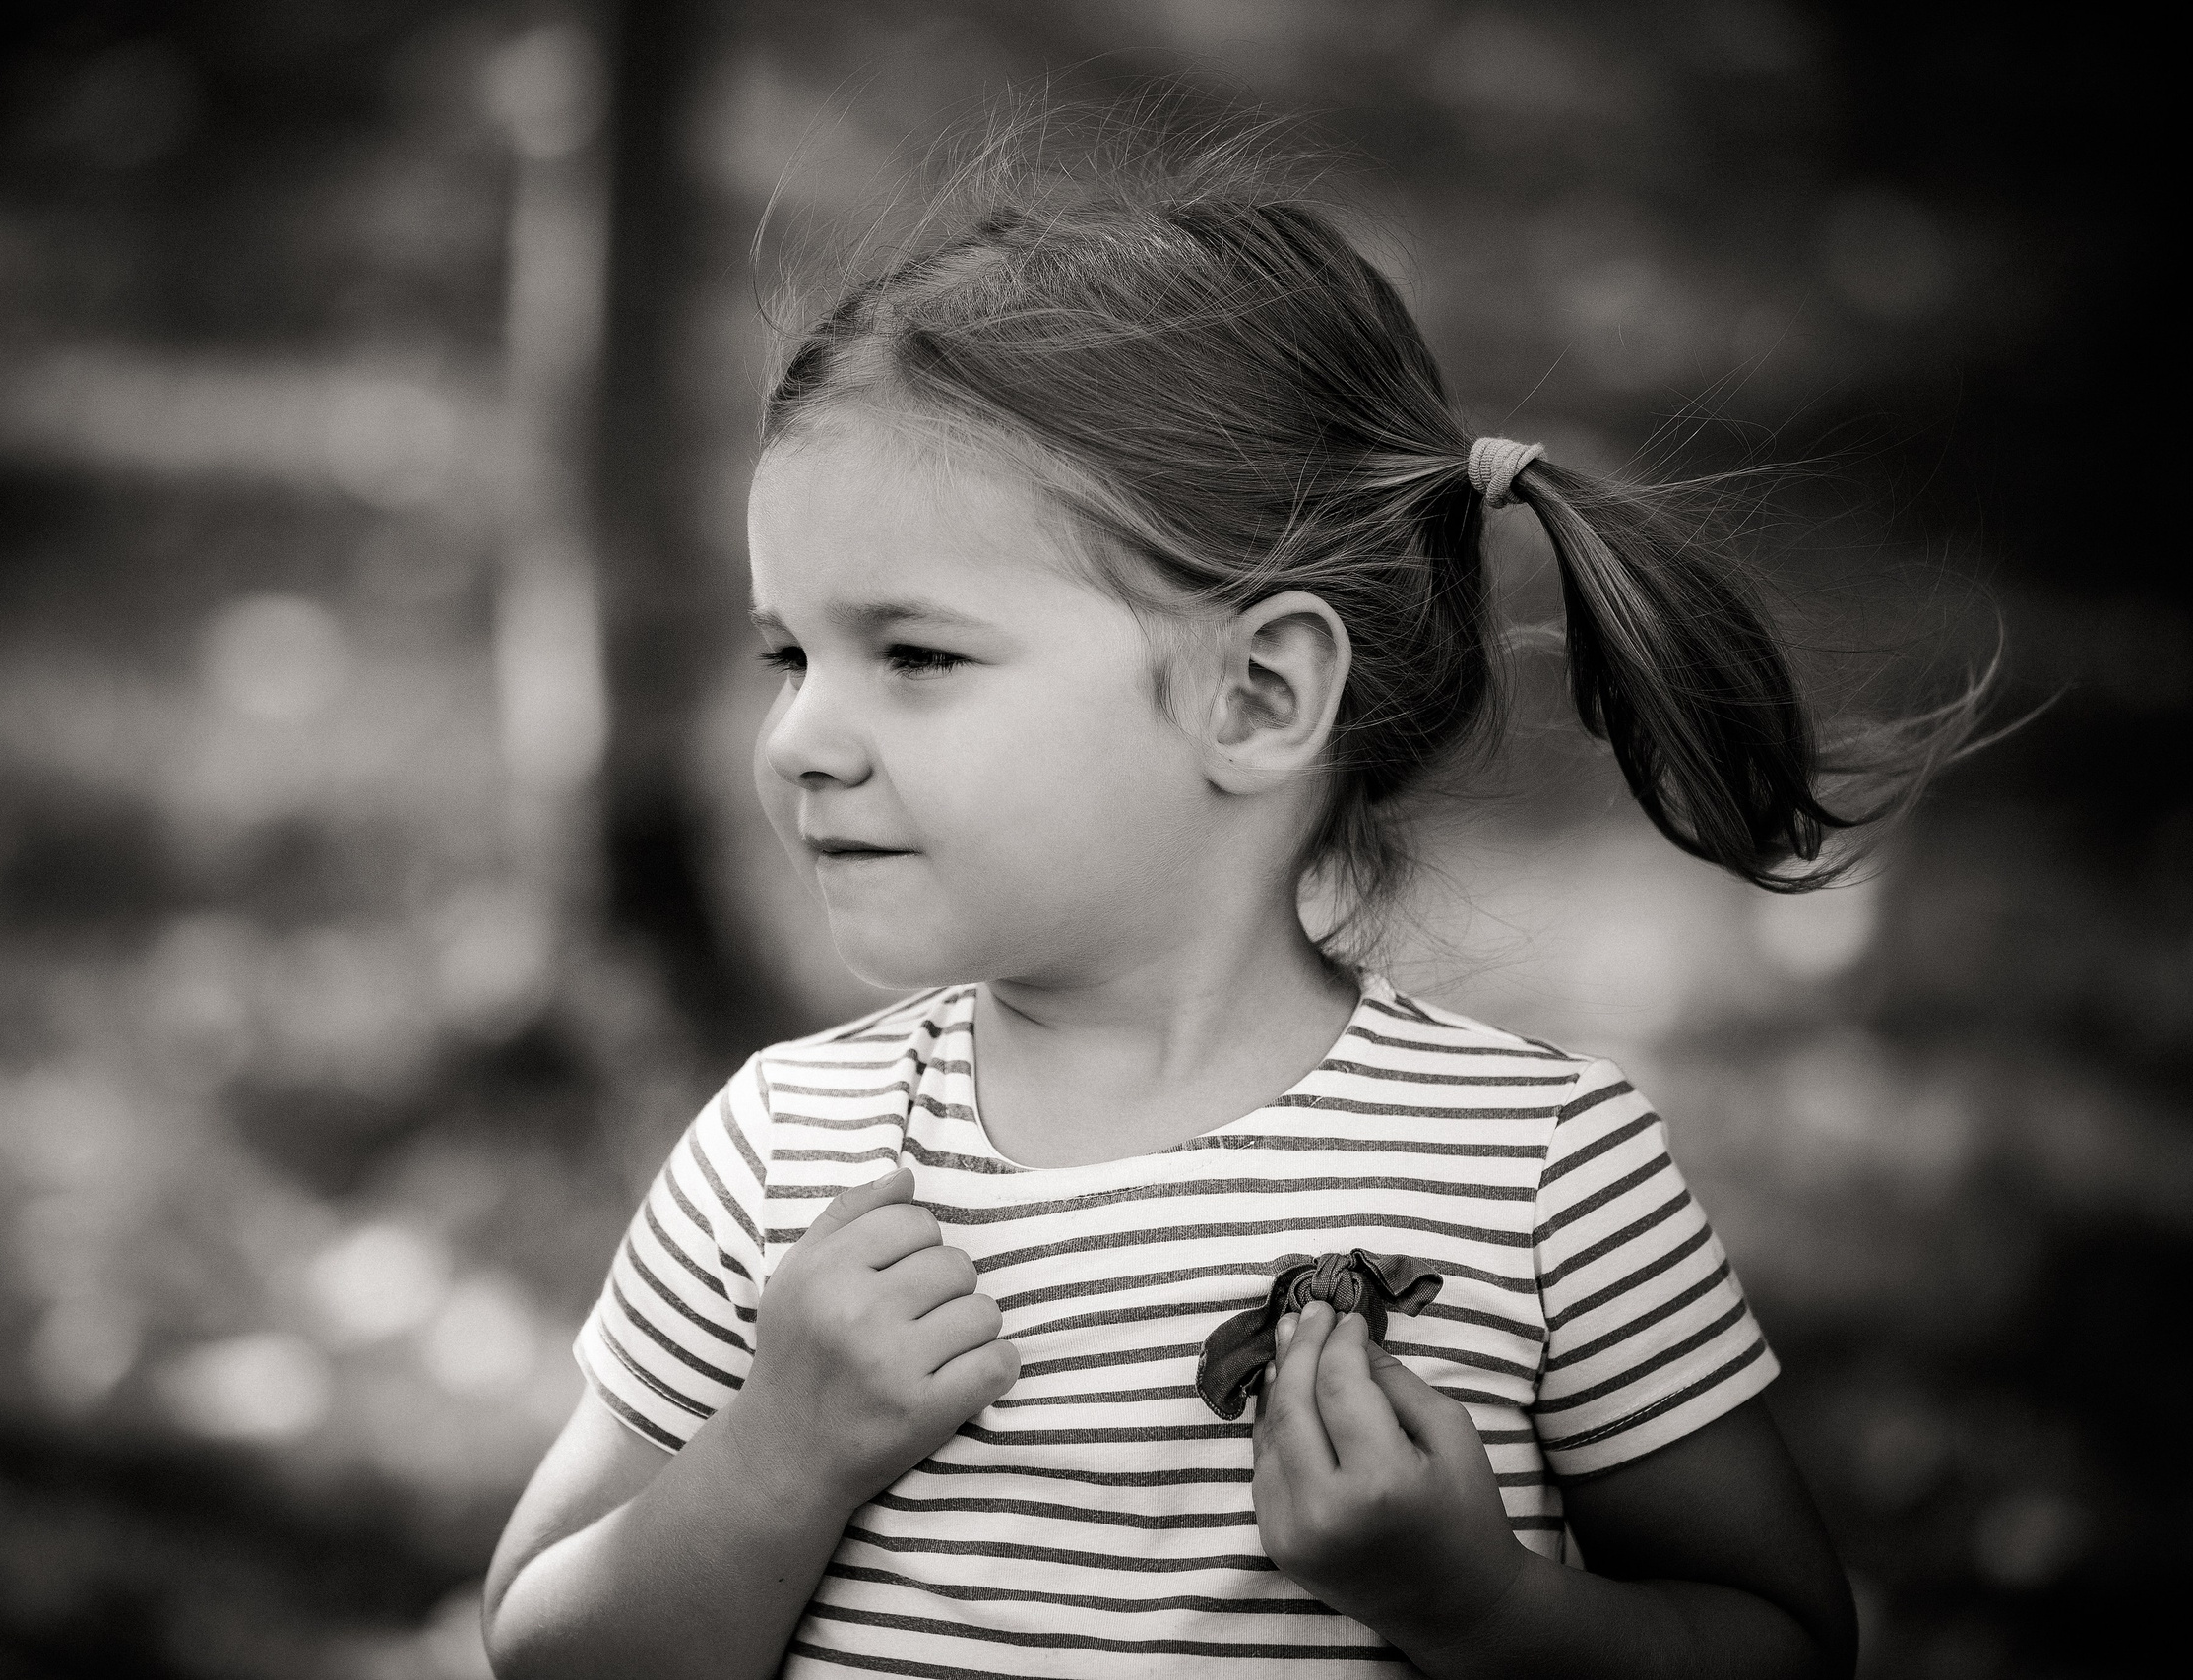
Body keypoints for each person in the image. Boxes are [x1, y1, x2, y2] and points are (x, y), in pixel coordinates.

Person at [481, 130, 1975, 1679]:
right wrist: (771, 1462)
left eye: (914, 656)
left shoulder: (1535, 1175)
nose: (796, 738)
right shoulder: (787, 1154)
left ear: (1259, 697)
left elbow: (1783, 1645)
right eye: (789, 655)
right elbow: (545, 1647)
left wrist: (1476, 1605)